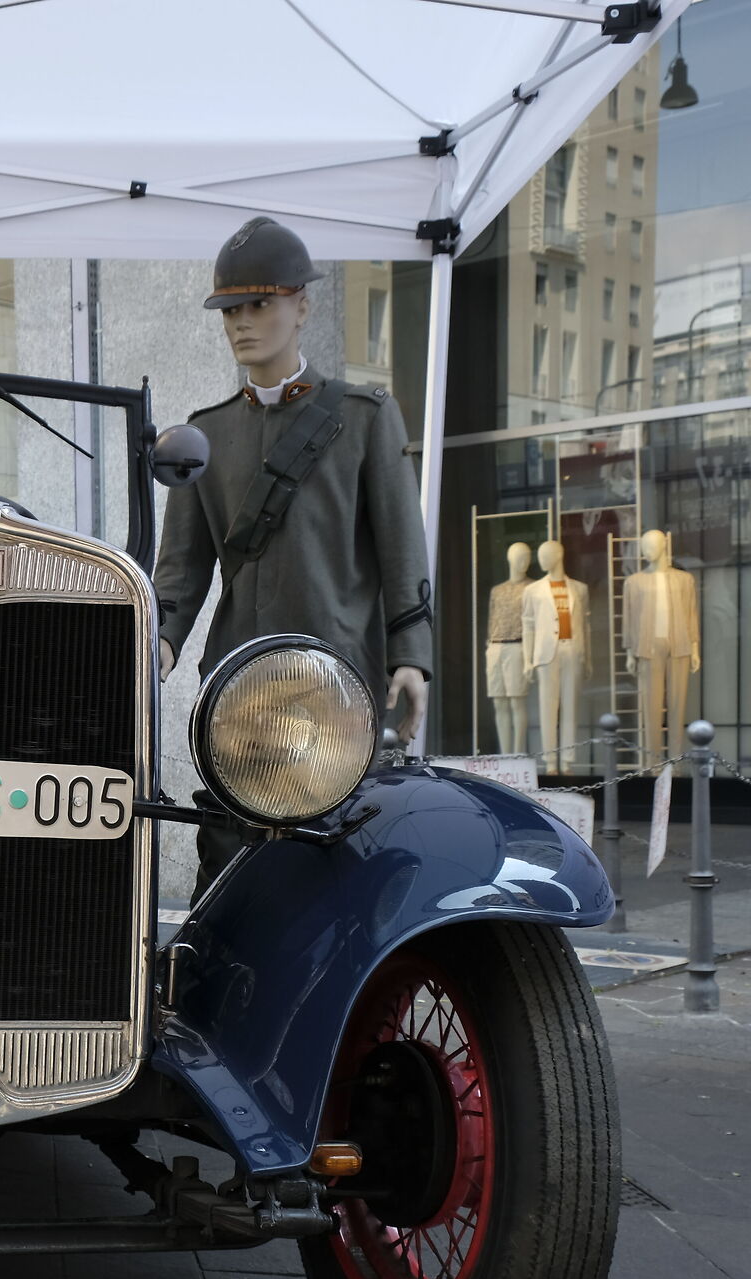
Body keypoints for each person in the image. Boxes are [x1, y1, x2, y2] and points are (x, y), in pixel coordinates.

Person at [152, 214, 435, 896]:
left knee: (332, 868)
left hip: (333, 687)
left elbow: (402, 544)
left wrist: (412, 655)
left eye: (261, 304)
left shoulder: (364, 418)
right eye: (232, 310)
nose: (243, 322)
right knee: (229, 865)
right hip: (238, 689)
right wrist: (154, 649)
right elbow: (180, 573)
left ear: (302, 306)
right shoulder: (205, 434)